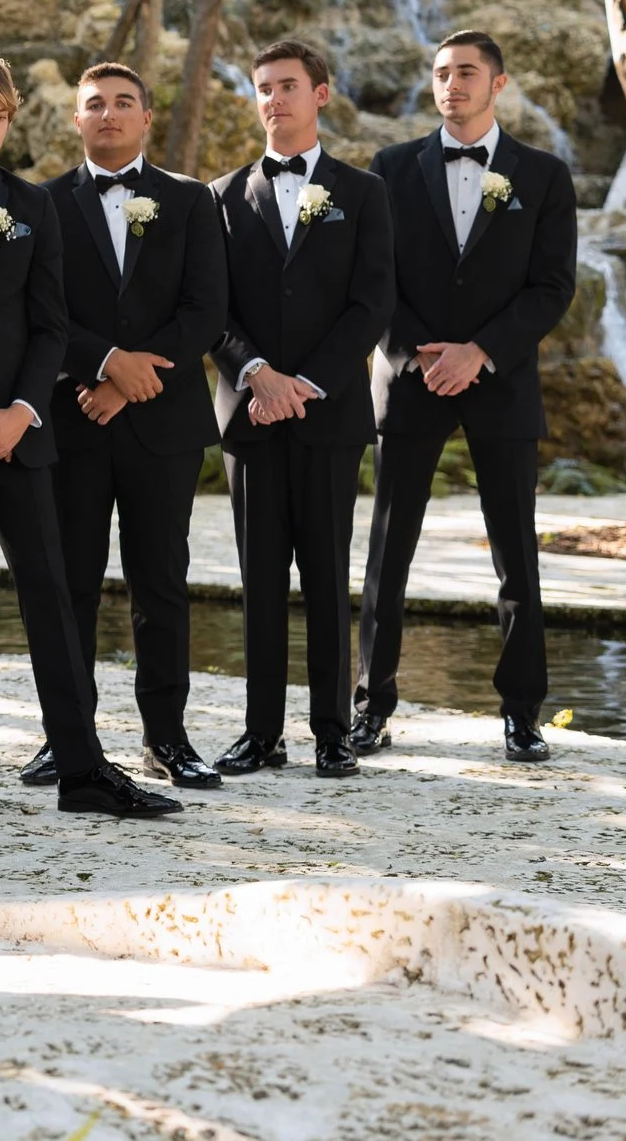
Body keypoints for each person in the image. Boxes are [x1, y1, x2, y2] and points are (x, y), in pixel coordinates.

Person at [0, 43, 179, 820]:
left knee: (50, 589)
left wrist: (21, 410)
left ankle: (82, 767)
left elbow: (50, 324)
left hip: (21, 419)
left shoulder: (35, 205)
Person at [357, 29, 577, 764]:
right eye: (442, 72)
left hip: (501, 383)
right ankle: (370, 705)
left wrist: (479, 352)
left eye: (467, 72)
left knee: (517, 555)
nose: (452, 83)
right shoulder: (389, 169)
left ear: (499, 83)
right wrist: (423, 354)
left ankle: (522, 713)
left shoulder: (543, 176)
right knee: (389, 552)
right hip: (414, 380)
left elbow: (551, 288)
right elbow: (373, 280)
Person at [209, 42, 395, 780]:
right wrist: (257, 374)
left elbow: (372, 301)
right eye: (263, 88)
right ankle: (261, 733)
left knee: (324, 576)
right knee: (259, 580)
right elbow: (210, 308)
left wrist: (305, 382)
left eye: (288, 86)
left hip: (327, 416)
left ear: (321, 94)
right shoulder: (219, 195)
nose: (274, 99)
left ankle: (329, 730)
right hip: (250, 417)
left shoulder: (363, 191)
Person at [42, 63, 228, 793]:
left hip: (163, 422)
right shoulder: (45, 203)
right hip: (75, 419)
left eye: (124, 103)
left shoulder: (189, 200)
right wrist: (104, 367)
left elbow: (206, 307)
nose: (109, 114)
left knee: (162, 582)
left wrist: (133, 382)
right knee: (71, 585)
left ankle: (167, 738)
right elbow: (42, 309)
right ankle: (69, 739)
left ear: (148, 116)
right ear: (76, 119)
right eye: (95, 104)